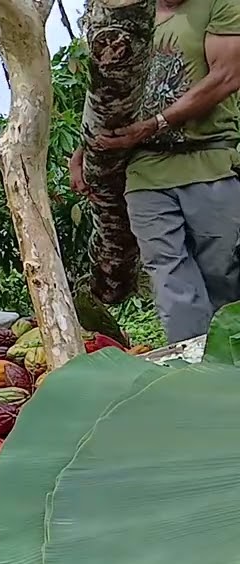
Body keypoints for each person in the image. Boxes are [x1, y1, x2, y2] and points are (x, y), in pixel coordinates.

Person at [70, 0, 240, 343]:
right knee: (169, 279)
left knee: (224, 277)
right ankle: (191, 366)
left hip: (208, 161)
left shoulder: (221, 3)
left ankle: (230, 363)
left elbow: (227, 76)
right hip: (145, 171)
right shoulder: (131, 18)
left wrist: (156, 123)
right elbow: (108, 97)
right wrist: (83, 151)